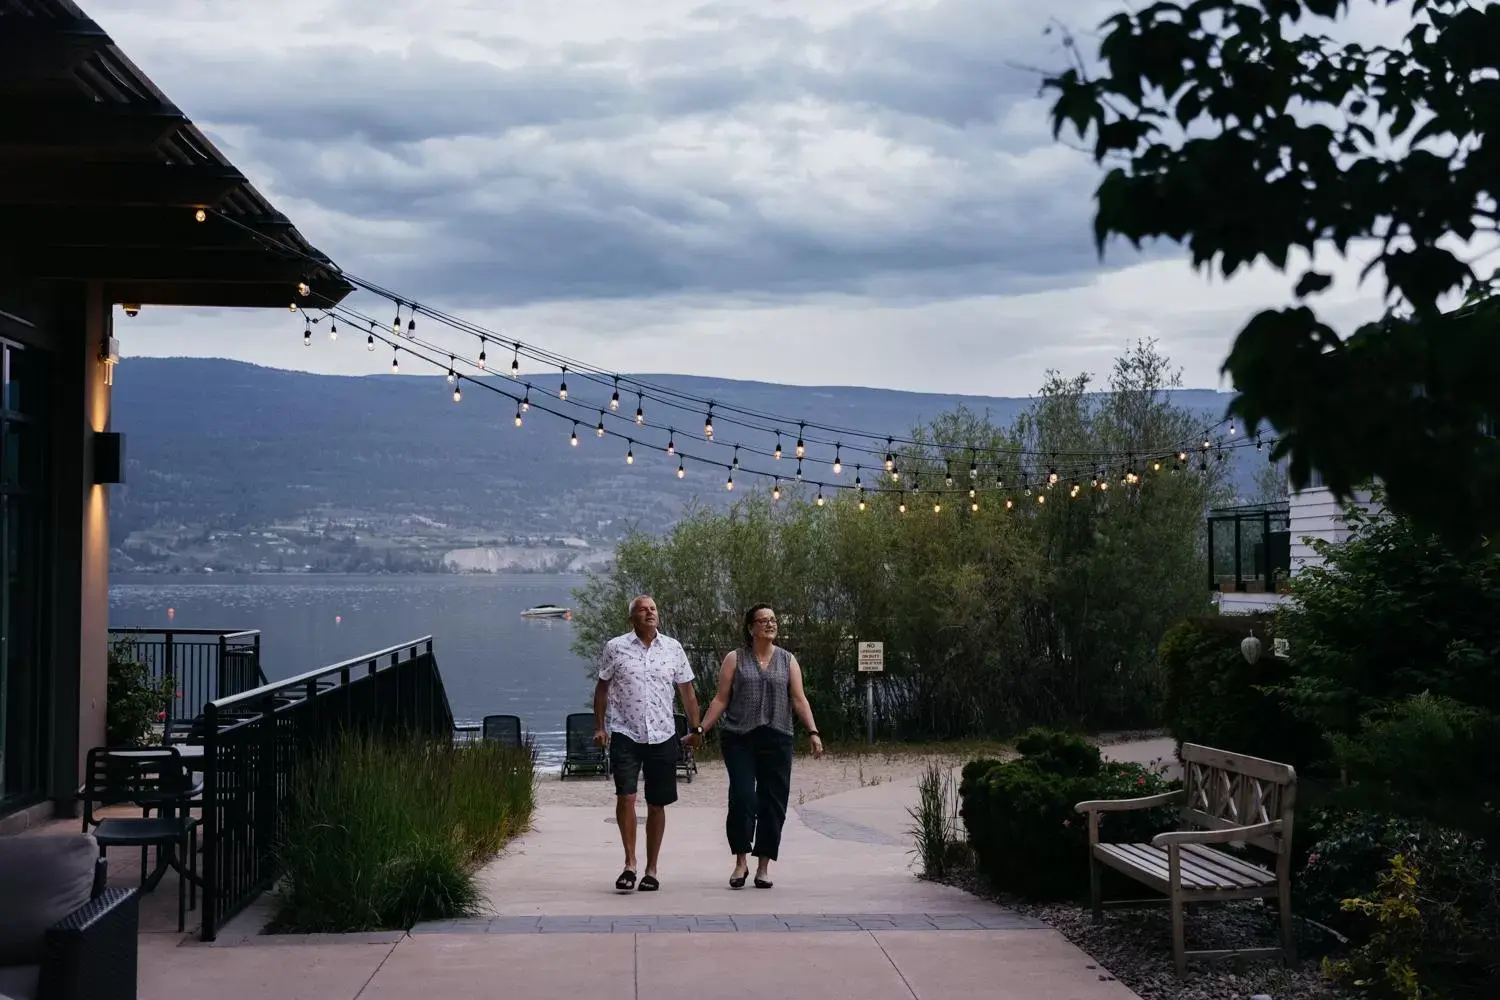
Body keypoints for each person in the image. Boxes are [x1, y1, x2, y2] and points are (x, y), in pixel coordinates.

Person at [699, 603, 822, 889]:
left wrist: (813, 731)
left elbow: (799, 698)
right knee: (743, 797)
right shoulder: (735, 659)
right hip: (739, 737)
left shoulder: (788, 660)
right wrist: (702, 728)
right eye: (764, 620)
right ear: (751, 627)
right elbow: (720, 699)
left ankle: (764, 865)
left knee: (773, 801)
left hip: (778, 736)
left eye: (773, 620)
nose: (770, 624)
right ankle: (741, 861)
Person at [594, 594, 702, 892]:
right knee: (626, 797)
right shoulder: (615, 648)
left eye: (653, 608)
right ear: (632, 617)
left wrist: (697, 728)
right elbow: (602, 689)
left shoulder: (673, 648)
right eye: (642, 610)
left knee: (657, 803)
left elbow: (687, 692)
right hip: (625, 734)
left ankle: (652, 869)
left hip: (663, 735)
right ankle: (630, 864)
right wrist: (599, 727)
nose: (649, 613)